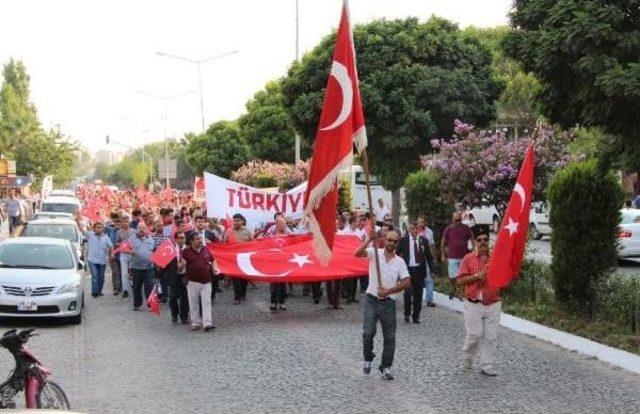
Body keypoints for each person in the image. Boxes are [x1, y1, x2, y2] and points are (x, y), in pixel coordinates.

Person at [355, 227, 411, 380]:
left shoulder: (400, 262)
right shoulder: (375, 252)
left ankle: (386, 367)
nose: (391, 243)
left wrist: (389, 291)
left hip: (388, 303)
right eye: (389, 240)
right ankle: (368, 357)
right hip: (372, 300)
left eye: (395, 241)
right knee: (368, 332)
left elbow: (406, 282)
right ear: (384, 240)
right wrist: (368, 239)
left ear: (397, 243)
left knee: (390, 337)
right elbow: (357, 253)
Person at [456, 228, 501, 376]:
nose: (482, 242)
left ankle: (486, 365)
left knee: (491, 337)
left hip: (493, 303)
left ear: (489, 242)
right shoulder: (468, 258)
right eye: (479, 240)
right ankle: (469, 356)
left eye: (485, 240)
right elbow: (460, 280)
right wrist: (476, 276)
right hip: (473, 303)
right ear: (475, 242)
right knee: (475, 334)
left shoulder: (496, 258)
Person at [179, 231, 219, 331]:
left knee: (206, 302)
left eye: (200, 238)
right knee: (193, 302)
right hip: (192, 281)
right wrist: (182, 265)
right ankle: (196, 322)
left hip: (206, 280)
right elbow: (179, 267)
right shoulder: (185, 252)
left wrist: (214, 268)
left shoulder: (206, 249)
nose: (200, 240)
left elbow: (213, 260)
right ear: (191, 241)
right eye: (197, 239)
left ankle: (207, 323)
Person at [396, 221, 434, 323]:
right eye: (412, 228)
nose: (414, 230)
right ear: (408, 229)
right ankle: (407, 314)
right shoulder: (403, 240)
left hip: (419, 270)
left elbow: (429, 257)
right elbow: (396, 254)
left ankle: (416, 316)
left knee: (418, 294)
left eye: (416, 228)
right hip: (407, 271)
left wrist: (432, 270)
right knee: (408, 293)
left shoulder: (423, 240)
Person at [442, 212, 474, 300]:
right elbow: (443, 241)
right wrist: (443, 254)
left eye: (460, 220)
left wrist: (474, 249)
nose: (458, 222)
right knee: (452, 276)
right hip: (452, 256)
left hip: (464, 256)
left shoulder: (465, 228)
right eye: (456, 220)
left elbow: (472, 237)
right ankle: (453, 288)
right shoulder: (448, 229)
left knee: (463, 276)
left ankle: (461, 293)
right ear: (452, 220)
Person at [223, 213, 253, 305]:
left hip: (244, 259)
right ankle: (237, 297)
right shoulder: (228, 231)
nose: (236, 222)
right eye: (234, 220)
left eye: (238, 221)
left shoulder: (248, 231)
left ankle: (243, 294)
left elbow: (253, 244)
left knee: (243, 278)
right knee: (235, 278)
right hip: (233, 259)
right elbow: (224, 244)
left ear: (242, 221)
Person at [264, 217, 290, 311]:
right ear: (277, 224)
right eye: (283, 224)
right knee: (274, 284)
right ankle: (273, 302)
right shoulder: (270, 235)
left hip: (284, 262)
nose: (285, 225)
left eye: (285, 223)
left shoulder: (288, 234)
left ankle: (282, 302)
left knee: (283, 284)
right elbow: (265, 245)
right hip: (273, 263)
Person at [129, 223, 156, 311]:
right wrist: (129, 251)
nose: (141, 230)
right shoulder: (131, 239)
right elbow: (125, 249)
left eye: (143, 228)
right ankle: (137, 304)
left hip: (149, 267)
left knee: (149, 286)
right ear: (137, 229)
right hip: (136, 268)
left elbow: (154, 250)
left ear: (146, 229)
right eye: (140, 228)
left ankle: (150, 304)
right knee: (136, 286)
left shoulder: (151, 239)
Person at [166, 231, 189, 324]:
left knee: (185, 297)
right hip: (173, 275)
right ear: (176, 239)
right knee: (173, 297)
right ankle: (174, 314)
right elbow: (167, 263)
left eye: (184, 237)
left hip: (185, 276)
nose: (183, 239)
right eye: (181, 237)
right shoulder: (170, 249)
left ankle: (184, 316)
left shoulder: (188, 249)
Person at [85, 221, 113, 297]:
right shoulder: (90, 235)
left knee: (101, 278)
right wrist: (77, 220)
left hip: (102, 261)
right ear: (94, 228)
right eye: (98, 227)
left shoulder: (106, 237)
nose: (99, 229)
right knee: (94, 276)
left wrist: (111, 254)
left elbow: (111, 247)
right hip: (92, 260)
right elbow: (81, 229)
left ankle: (99, 291)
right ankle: (94, 292)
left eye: (101, 227)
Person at [418, 215, 437, 307]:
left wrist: (434, 258)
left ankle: (429, 300)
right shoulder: (415, 231)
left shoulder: (429, 232)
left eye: (422, 222)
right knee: (417, 280)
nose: (420, 224)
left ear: (425, 222)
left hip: (427, 258)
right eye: (419, 222)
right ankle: (416, 299)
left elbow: (432, 245)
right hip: (417, 259)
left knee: (429, 279)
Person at [116, 216, 134, 299]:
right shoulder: (119, 232)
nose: (125, 223)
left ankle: (134, 286)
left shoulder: (134, 231)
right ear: (122, 223)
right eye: (123, 221)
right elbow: (116, 243)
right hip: (123, 254)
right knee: (124, 273)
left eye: (126, 221)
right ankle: (125, 290)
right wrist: (121, 244)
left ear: (129, 222)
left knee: (132, 272)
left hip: (132, 254)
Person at [106, 215, 122, 295]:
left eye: (119, 224)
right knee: (115, 272)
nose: (117, 226)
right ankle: (116, 288)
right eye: (116, 224)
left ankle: (122, 287)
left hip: (122, 254)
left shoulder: (123, 232)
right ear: (114, 224)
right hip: (113, 254)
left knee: (122, 271)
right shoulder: (110, 230)